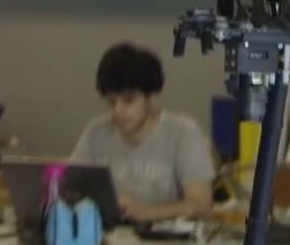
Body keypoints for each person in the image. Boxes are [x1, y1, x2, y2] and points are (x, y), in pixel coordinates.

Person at [69, 42, 215, 223]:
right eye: (112, 101)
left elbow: (201, 206)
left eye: (128, 101)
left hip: (165, 237)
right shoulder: (95, 133)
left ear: (152, 98)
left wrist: (146, 212)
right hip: (109, 235)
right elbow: (68, 192)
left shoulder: (183, 132)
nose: (118, 111)